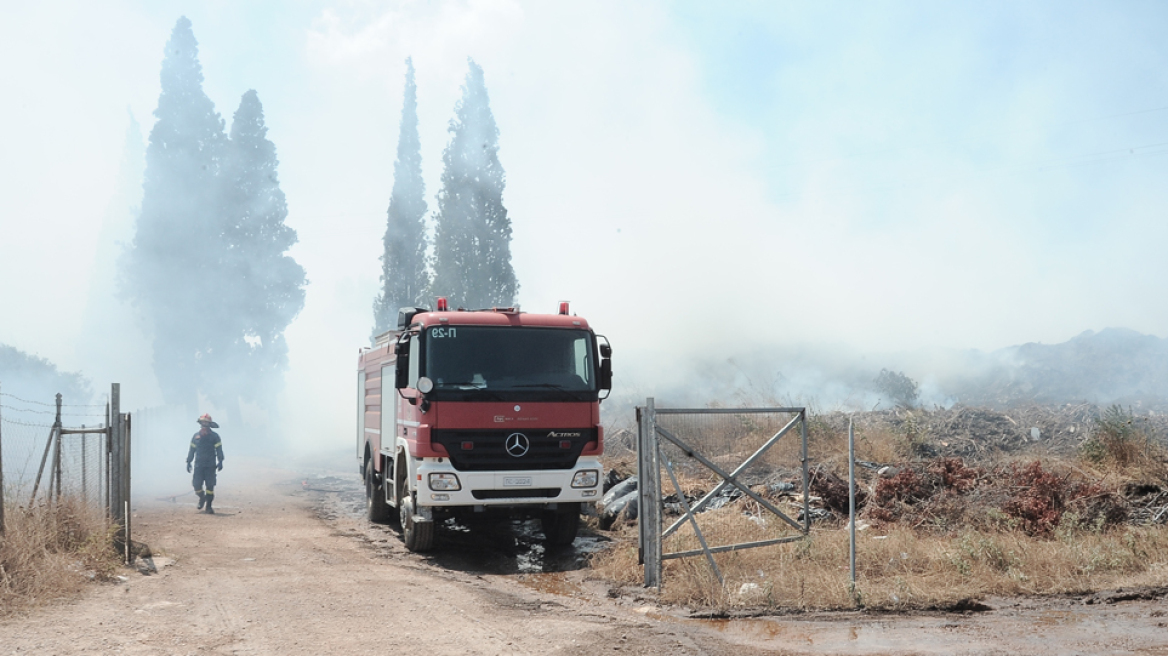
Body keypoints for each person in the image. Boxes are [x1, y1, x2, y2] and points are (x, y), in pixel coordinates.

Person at [186, 414, 225, 514]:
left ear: (209, 424)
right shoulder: (196, 436)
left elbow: (219, 450)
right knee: (196, 485)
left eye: (206, 422)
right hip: (199, 465)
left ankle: (209, 506)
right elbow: (192, 450)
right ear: (200, 423)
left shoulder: (214, 437)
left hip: (210, 465)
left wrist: (220, 461)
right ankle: (202, 498)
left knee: (210, 486)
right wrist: (189, 461)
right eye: (203, 422)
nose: (204, 424)